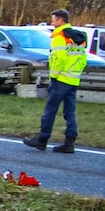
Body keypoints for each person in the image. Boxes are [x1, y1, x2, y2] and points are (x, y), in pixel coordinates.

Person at [23, 9, 87, 154]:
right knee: (70, 112)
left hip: (60, 79)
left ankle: (42, 139)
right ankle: (69, 142)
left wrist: (55, 75)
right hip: (73, 79)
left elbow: (60, 58)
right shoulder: (78, 37)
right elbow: (83, 59)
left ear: (60, 20)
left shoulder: (60, 36)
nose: (52, 23)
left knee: (50, 110)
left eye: (53, 20)